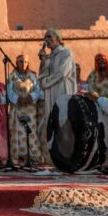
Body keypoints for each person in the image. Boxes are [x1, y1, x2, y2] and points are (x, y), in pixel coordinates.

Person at [38, 28, 76, 163]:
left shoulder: (66, 53)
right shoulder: (49, 57)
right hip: (50, 93)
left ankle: (68, 156)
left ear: (58, 39)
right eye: (45, 38)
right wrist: (43, 60)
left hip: (62, 91)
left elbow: (62, 73)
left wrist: (46, 82)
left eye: (49, 37)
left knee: (64, 122)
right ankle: (54, 157)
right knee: (52, 122)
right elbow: (43, 74)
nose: (46, 40)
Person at [6, 55, 44, 167]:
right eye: (21, 62)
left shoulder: (32, 76)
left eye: (25, 62)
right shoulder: (12, 76)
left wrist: (30, 97)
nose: (23, 64)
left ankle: (32, 156)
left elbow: (37, 89)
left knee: (30, 131)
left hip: (30, 108)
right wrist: (18, 99)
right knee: (17, 132)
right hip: (17, 107)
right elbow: (9, 91)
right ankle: (18, 156)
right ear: (17, 63)